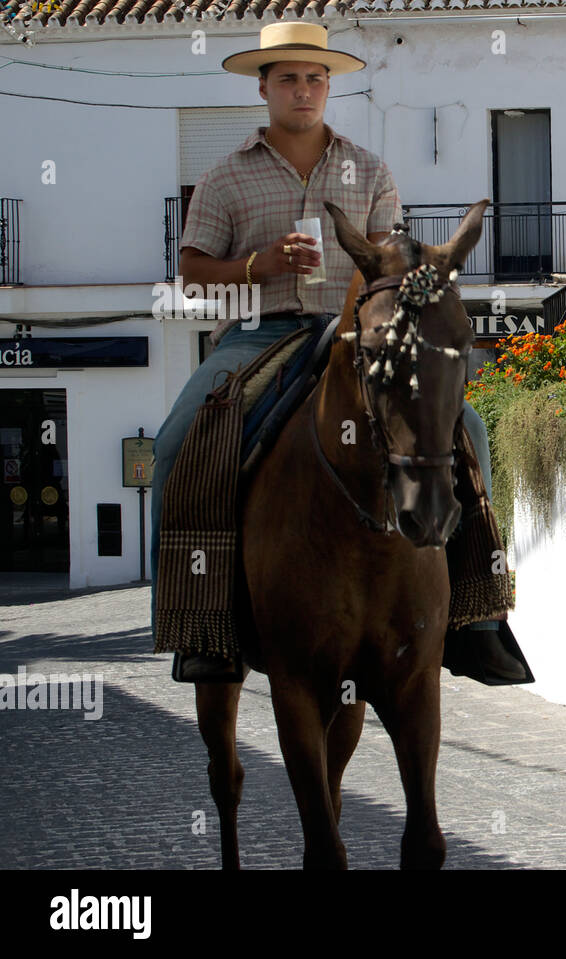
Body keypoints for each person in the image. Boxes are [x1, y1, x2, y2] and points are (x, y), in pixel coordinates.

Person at [152, 21, 526, 684]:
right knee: (179, 439)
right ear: (263, 86)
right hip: (257, 334)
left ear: (330, 87)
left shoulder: (371, 169)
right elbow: (189, 272)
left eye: (315, 78)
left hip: (352, 334)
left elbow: (390, 263)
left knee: (467, 426)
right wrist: (256, 266)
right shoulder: (223, 176)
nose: (304, 89)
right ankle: (191, 616)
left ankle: (478, 618)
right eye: (290, 78)